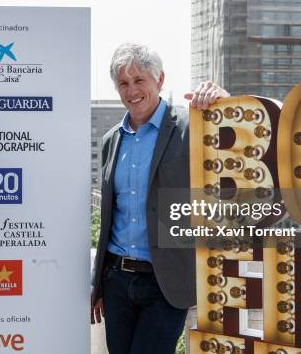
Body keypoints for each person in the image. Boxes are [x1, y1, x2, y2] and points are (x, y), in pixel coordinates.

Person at [91, 42, 228, 353]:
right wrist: (99, 283)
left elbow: (243, 145)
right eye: (123, 83)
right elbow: (111, 218)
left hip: (166, 281)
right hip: (117, 281)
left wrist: (225, 103)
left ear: (160, 80)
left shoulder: (193, 125)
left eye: (140, 80)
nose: (132, 90)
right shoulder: (112, 140)